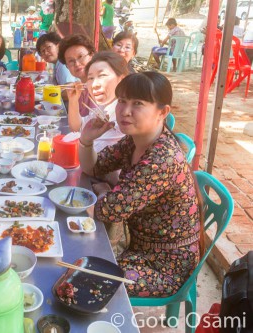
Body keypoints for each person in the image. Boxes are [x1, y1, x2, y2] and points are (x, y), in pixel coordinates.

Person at [79, 72, 201, 297]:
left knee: (87, 279)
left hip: (165, 267)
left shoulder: (162, 159)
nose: (125, 111)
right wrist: (86, 140)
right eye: (122, 101)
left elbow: (108, 210)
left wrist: (107, 192)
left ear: (162, 112)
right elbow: (94, 168)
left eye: (138, 104)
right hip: (137, 245)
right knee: (78, 258)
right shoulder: (135, 141)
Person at [67, 51, 128, 153]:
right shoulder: (104, 107)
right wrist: (73, 100)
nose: (94, 84)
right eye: (90, 78)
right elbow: (77, 127)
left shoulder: (122, 119)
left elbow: (93, 157)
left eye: (102, 75)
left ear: (122, 79)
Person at [58, 34, 96, 116]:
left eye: (80, 56)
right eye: (71, 61)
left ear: (91, 56)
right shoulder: (80, 90)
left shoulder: (100, 88)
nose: (77, 64)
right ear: (67, 67)